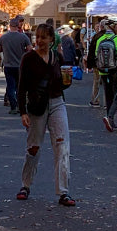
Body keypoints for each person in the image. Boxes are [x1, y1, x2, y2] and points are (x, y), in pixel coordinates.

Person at [15, 23, 74, 207]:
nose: (39, 41)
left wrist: (68, 80)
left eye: (43, 37)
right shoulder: (29, 58)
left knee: (62, 146)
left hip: (57, 102)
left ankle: (63, 192)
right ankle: (25, 185)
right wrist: (23, 111)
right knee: (34, 147)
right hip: (36, 105)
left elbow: (62, 84)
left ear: (51, 39)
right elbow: (21, 86)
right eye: (37, 37)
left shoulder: (57, 57)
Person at [94, 16, 117, 132]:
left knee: (108, 95)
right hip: (116, 69)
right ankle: (110, 117)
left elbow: (96, 54)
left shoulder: (100, 39)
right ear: (114, 26)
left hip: (103, 70)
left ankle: (110, 121)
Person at [0, 18, 31, 114]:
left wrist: (5, 49)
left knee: (10, 86)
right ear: (18, 26)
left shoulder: (3, 37)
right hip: (20, 65)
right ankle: (20, 106)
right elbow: (30, 49)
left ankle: (13, 106)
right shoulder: (23, 37)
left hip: (8, 65)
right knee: (20, 87)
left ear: (10, 26)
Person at [86, 20, 105, 107]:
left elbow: (91, 51)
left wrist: (89, 64)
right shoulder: (112, 36)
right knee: (106, 82)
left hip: (97, 63)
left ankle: (95, 100)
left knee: (96, 81)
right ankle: (106, 102)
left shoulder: (97, 36)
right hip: (109, 63)